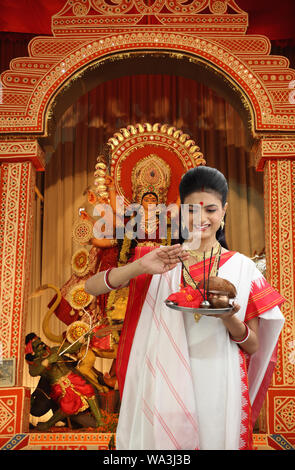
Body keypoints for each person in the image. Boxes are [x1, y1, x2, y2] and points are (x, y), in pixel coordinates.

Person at [84, 166, 285, 450]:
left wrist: (228, 317)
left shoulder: (243, 268)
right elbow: (91, 288)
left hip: (218, 386)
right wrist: (140, 266)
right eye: (191, 210)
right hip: (161, 388)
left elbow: (253, 345)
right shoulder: (158, 259)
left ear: (224, 211)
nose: (201, 219)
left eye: (211, 210)